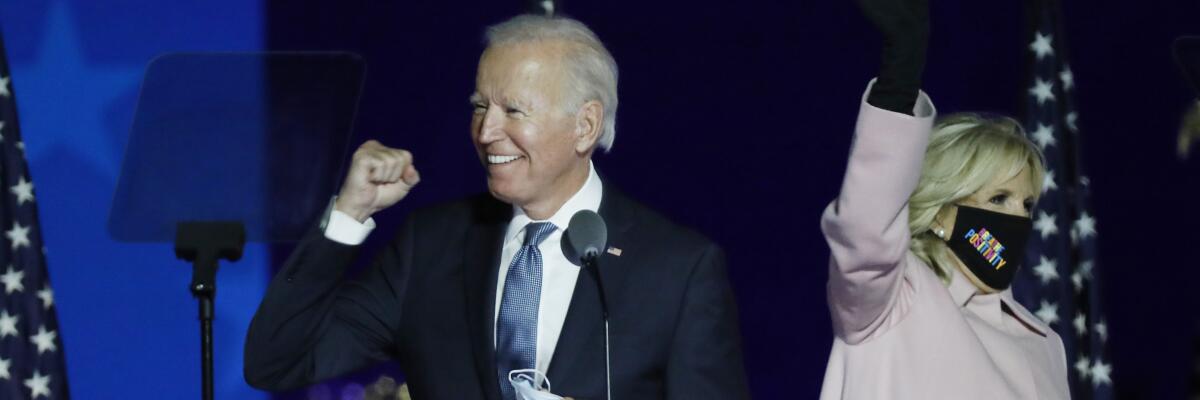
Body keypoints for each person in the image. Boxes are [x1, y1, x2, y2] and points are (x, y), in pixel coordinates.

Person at [243, 14, 749, 400]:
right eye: (480, 106)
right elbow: (278, 362)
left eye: (513, 110)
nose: (486, 133)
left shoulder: (679, 269)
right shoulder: (430, 245)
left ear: (585, 126)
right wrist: (347, 217)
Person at [818, 0, 1071, 398]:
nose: (1017, 219)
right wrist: (898, 83)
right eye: (999, 197)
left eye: (1026, 205)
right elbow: (865, 230)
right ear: (941, 212)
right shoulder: (893, 302)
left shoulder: (1046, 344)